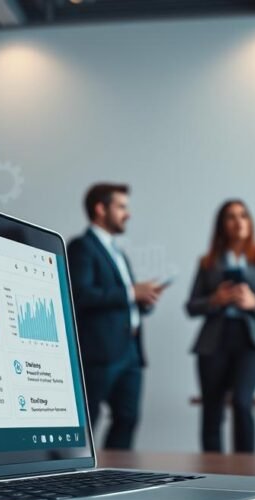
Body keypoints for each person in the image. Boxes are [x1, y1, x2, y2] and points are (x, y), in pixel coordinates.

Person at [67, 183, 166, 450]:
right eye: (121, 207)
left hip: (131, 351)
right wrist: (132, 292)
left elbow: (124, 297)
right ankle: (76, 477)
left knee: (128, 418)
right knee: (89, 421)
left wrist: (144, 298)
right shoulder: (81, 247)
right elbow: (81, 295)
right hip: (100, 353)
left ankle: (117, 477)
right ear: (101, 209)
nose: (128, 214)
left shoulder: (117, 251)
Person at [186, 200, 255, 453]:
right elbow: (192, 306)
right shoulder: (208, 262)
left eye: (243, 216)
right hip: (214, 341)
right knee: (212, 409)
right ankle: (211, 473)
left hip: (252, 341)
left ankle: (247, 471)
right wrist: (214, 300)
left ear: (250, 222)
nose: (238, 222)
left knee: (242, 401)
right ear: (222, 225)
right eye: (231, 217)